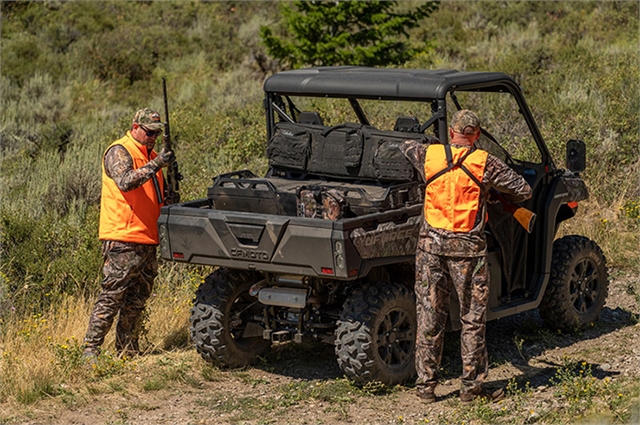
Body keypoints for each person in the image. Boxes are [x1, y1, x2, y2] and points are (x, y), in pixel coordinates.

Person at [400, 110, 532, 404]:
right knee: (472, 320)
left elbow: (404, 146)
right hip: (468, 253)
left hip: (430, 249)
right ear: (477, 135)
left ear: (451, 134)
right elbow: (523, 190)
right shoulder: (485, 162)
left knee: (429, 317)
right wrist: (487, 191)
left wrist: (434, 144)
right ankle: (471, 389)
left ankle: (425, 387)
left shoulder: (428, 155)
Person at [83, 108, 174, 359]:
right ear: (135, 126)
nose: (153, 136)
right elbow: (125, 181)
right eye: (148, 131)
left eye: (156, 132)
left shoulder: (152, 155)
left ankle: (127, 352)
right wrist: (157, 164)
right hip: (123, 238)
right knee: (111, 297)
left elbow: (158, 198)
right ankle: (90, 351)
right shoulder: (119, 150)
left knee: (137, 300)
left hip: (147, 238)